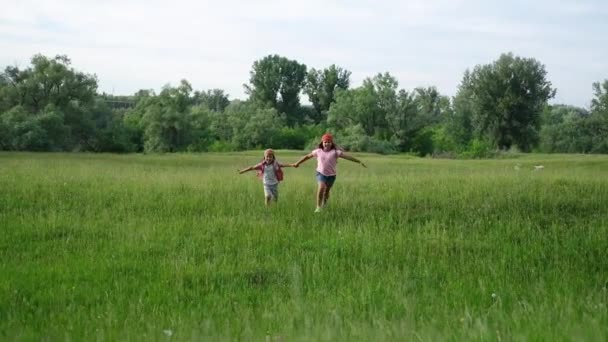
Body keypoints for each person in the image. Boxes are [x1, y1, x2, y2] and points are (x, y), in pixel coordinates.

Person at [294, 133, 366, 212]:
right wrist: (298, 163)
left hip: (332, 175)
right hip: (321, 173)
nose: (327, 143)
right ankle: (318, 207)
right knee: (321, 187)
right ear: (322, 143)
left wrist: (359, 161)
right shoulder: (318, 151)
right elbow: (307, 156)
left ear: (331, 143)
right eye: (325, 142)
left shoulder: (335, 152)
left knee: (327, 191)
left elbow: (348, 157)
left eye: (329, 142)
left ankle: (324, 204)